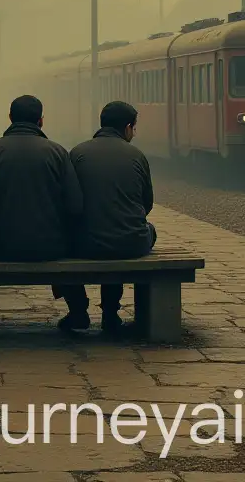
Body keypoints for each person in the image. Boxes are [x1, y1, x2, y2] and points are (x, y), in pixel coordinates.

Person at [0, 94, 84, 330]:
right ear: (41, 120)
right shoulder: (57, 152)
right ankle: (78, 310)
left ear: (10, 118)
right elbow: (75, 206)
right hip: (50, 247)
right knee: (71, 249)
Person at [60, 101, 156, 335]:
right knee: (138, 230)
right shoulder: (137, 155)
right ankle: (110, 314)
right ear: (127, 127)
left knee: (69, 240)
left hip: (84, 243)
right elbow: (147, 204)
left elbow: (68, 201)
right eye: (134, 128)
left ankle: (78, 309)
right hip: (131, 242)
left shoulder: (78, 152)